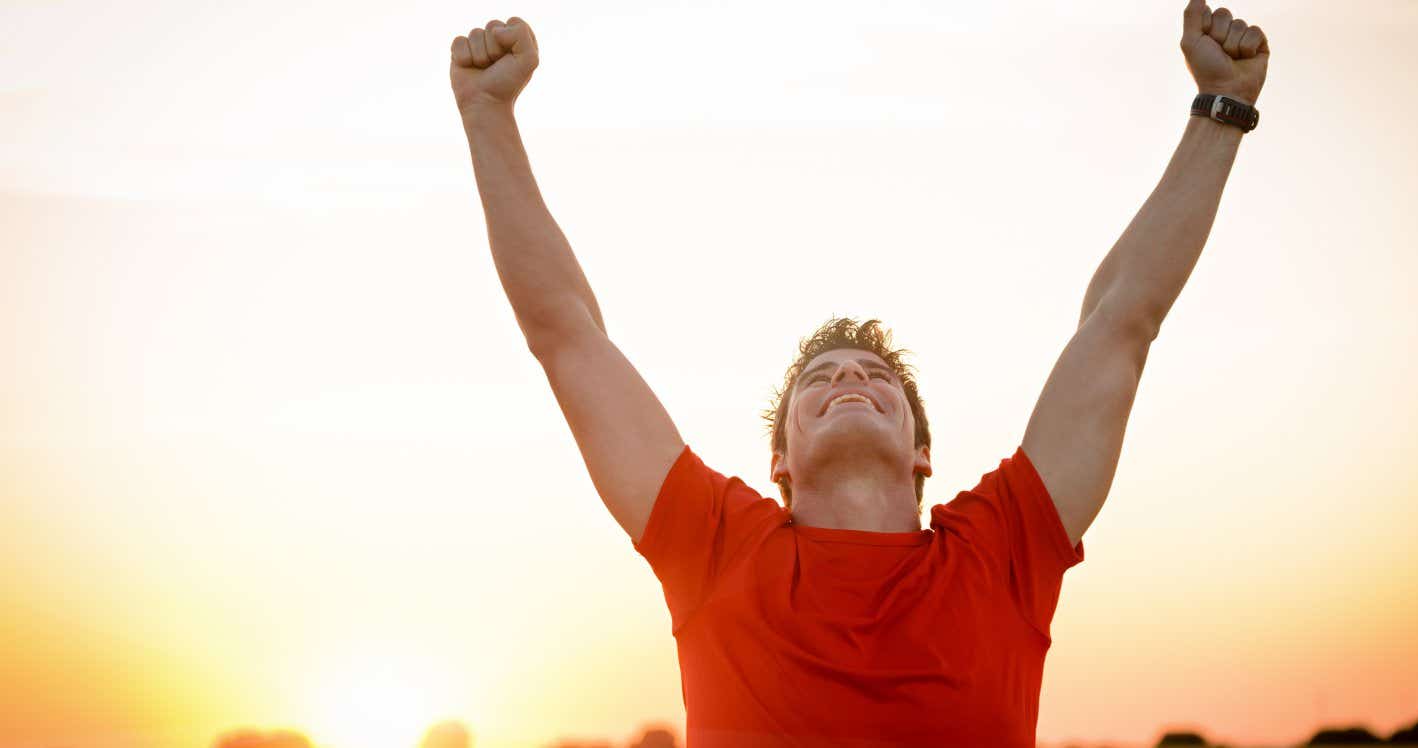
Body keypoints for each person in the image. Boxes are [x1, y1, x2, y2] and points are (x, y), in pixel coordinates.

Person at [448, 1, 1268, 745]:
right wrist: (488, 114)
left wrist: (1220, 111)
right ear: (779, 464)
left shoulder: (1002, 549)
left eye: (879, 377)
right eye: (820, 377)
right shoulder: (717, 547)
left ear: (922, 454)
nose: (850, 378)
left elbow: (1121, 322)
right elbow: (565, 334)